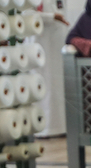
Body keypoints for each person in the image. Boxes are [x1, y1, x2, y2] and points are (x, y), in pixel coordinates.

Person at [31, 0, 69, 136]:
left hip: (58, 42)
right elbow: (27, 14)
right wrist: (51, 17)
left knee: (58, 85)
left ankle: (61, 127)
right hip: (42, 45)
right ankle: (45, 129)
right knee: (44, 85)